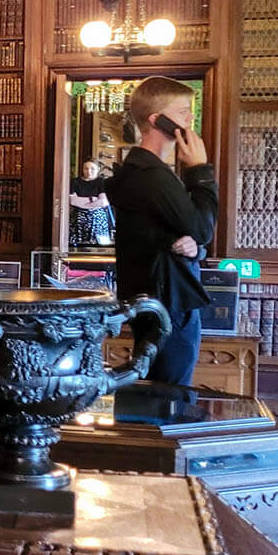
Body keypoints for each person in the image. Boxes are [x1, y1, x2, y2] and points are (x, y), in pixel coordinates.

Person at [103, 76, 216, 388]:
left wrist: (194, 247)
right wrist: (200, 171)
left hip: (158, 294)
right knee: (168, 394)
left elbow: (180, 237)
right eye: (182, 112)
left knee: (159, 387)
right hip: (168, 303)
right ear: (157, 120)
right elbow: (202, 228)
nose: (190, 120)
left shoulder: (143, 171)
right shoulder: (151, 175)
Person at [66, 158, 114, 249]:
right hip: (78, 221)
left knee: (98, 248)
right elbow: (72, 201)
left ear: (98, 169)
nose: (89, 171)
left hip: (97, 221)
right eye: (86, 168)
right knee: (77, 248)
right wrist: (92, 199)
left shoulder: (102, 182)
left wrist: (81, 201)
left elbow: (103, 202)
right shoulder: (75, 182)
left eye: (92, 168)